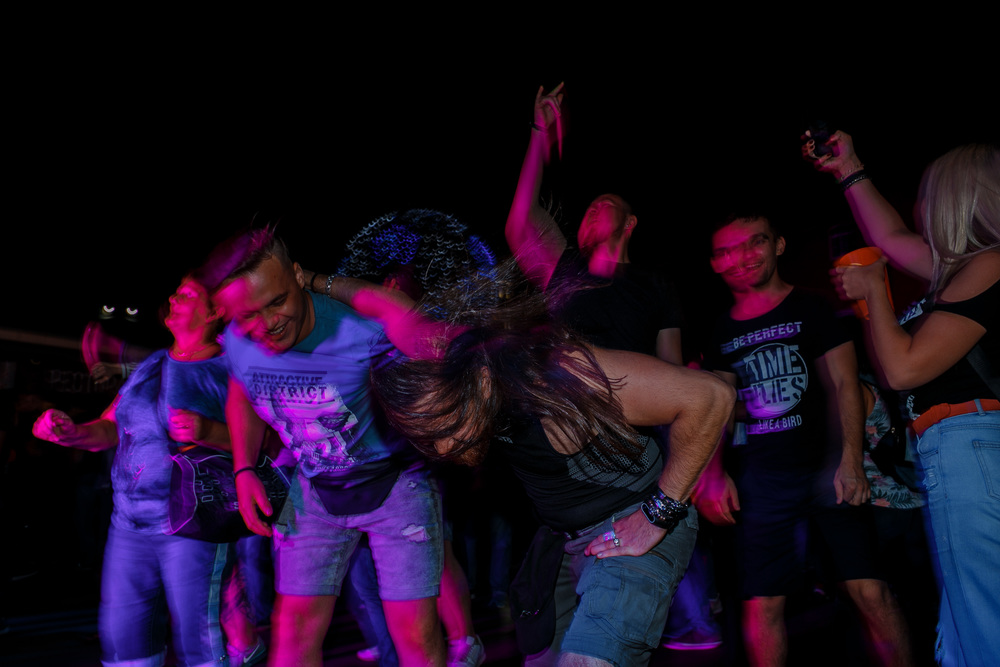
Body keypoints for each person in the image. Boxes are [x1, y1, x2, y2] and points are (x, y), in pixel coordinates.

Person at [329, 260, 736, 666]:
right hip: (562, 538)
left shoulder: (559, 373)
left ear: (482, 383)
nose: (443, 448)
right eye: (426, 439)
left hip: (632, 519)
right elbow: (386, 305)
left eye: (447, 426)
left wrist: (657, 514)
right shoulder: (444, 363)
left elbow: (710, 396)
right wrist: (312, 280)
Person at [203, 229, 445, 667]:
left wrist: (322, 281)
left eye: (277, 301)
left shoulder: (361, 331)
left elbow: (418, 325)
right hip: (314, 491)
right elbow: (241, 392)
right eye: (248, 315)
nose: (267, 324)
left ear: (298, 276)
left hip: (396, 486)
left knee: (416, 636)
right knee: (292, 630)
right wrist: (244, 469)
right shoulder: (238, 341)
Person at [809, 134, 999, 667]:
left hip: (970, 443)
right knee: (965, 618)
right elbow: (889, 237)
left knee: (982, 618)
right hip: (956, 449)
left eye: (929, 196)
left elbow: (903, 368)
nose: (921, 208)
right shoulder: (961, 270)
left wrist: (875, 291)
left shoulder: (990, 262)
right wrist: (848, 168)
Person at [699, 213, 912, 667]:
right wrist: (714, 474)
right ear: (715, 264)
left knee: (870, 592)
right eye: (726, 251)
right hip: (764, 485)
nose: (741, 258)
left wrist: (851, 461)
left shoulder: (812, 307)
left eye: (754, 243)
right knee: (762, 604)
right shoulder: (720, 330)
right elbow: (717, 408)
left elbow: (845, 383)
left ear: (778, 245)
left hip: (829, 473)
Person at [33, 276, 233, 667]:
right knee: (124, 637)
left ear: (214, 312)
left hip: (190, 525)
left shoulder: (228, 367)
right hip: (128, 525)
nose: (173, 297)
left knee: (198, 641)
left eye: (187, 294)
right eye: (175, 291)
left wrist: (209, 431)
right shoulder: (153, 364)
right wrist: (71, 433)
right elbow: (111, 428)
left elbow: (267, 440)